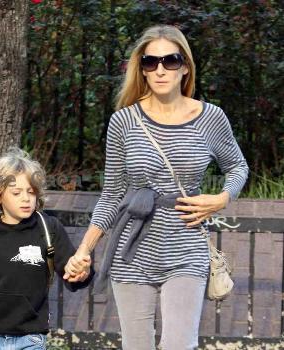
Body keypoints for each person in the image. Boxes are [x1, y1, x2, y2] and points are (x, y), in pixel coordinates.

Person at [63, 25, 249, 350]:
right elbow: (112, 193)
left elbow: (238, 166)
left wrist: (222, 198)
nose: (160, 69)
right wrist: (84, 251)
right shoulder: (124, 121)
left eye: (170, 60)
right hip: (132, 247)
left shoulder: (210, 117)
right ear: (142, 69)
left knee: (179, 345)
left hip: (186, 243)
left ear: (185, 66)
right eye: (151, 62)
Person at [0, 147, 93, 350]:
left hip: (31, 337)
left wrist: (81, 271)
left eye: (31, 192)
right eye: (16, 193)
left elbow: (73, 275)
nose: (26, 198)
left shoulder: (48, 228)